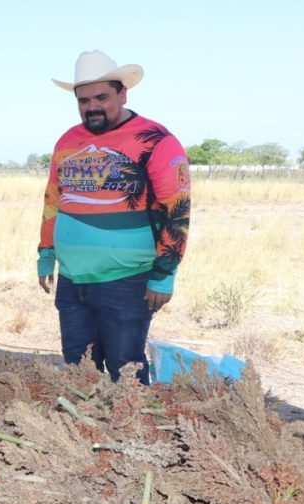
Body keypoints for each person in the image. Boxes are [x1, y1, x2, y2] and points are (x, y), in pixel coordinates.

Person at [38, 50, 191, 384]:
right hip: (73, 279)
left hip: (128, 280)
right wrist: (46, 252)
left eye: (102, 97)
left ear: (123, 93)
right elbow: (53, 199)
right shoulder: (68, 141)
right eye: (83, 100)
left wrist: (164, 274)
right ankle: (86, 433)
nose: (92, 106)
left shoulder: (156, 140)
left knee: (126, 368)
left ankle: (131, 434)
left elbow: (177, 209)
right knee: (79, 368)